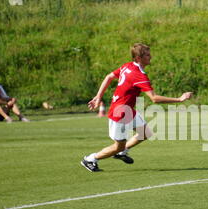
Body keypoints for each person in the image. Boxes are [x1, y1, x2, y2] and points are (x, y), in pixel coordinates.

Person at [81, 43, 193, 172]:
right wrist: (179, 99)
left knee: (145, 133)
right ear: (139, 58)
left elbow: (109, 76)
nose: (150, 56)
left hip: (127, 110)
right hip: (120, 114)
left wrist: (98, 96)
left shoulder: (127, 66)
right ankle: (90, 159)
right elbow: (154, 98)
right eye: (147, 54)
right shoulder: (139, 75)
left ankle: (122, 152)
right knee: (118, 146)